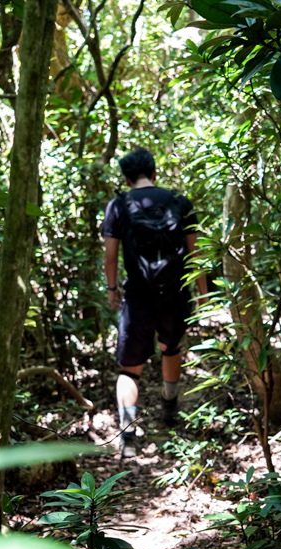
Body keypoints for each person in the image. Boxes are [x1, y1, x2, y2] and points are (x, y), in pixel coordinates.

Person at [101, 148, 209, 458]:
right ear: (154, 172)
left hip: (138, 295)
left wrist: (112, 289)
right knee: (170, 348)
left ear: (126, 179)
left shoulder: (119, 205)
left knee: (130, 368)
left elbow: (110, 256)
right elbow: (196, 252)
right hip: (175, 293)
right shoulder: (179, 202)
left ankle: (127, 434)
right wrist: (204, 294)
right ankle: (169, 405)